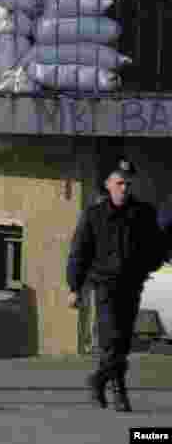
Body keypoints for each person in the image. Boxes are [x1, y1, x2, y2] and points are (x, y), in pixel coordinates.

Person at [67, 158, 168, 412]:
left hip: (132, 286)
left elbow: (156, 247)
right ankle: (116, 391)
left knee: (122, 343)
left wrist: (147, 266)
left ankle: (101, 382)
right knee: (110, 339)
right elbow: (79, 252)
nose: (124, 188)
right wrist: (74, 287)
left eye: (128, 184)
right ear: (108, 185)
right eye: (120, 183)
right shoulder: (94, 215)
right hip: (104, 286)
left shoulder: (142, 213)